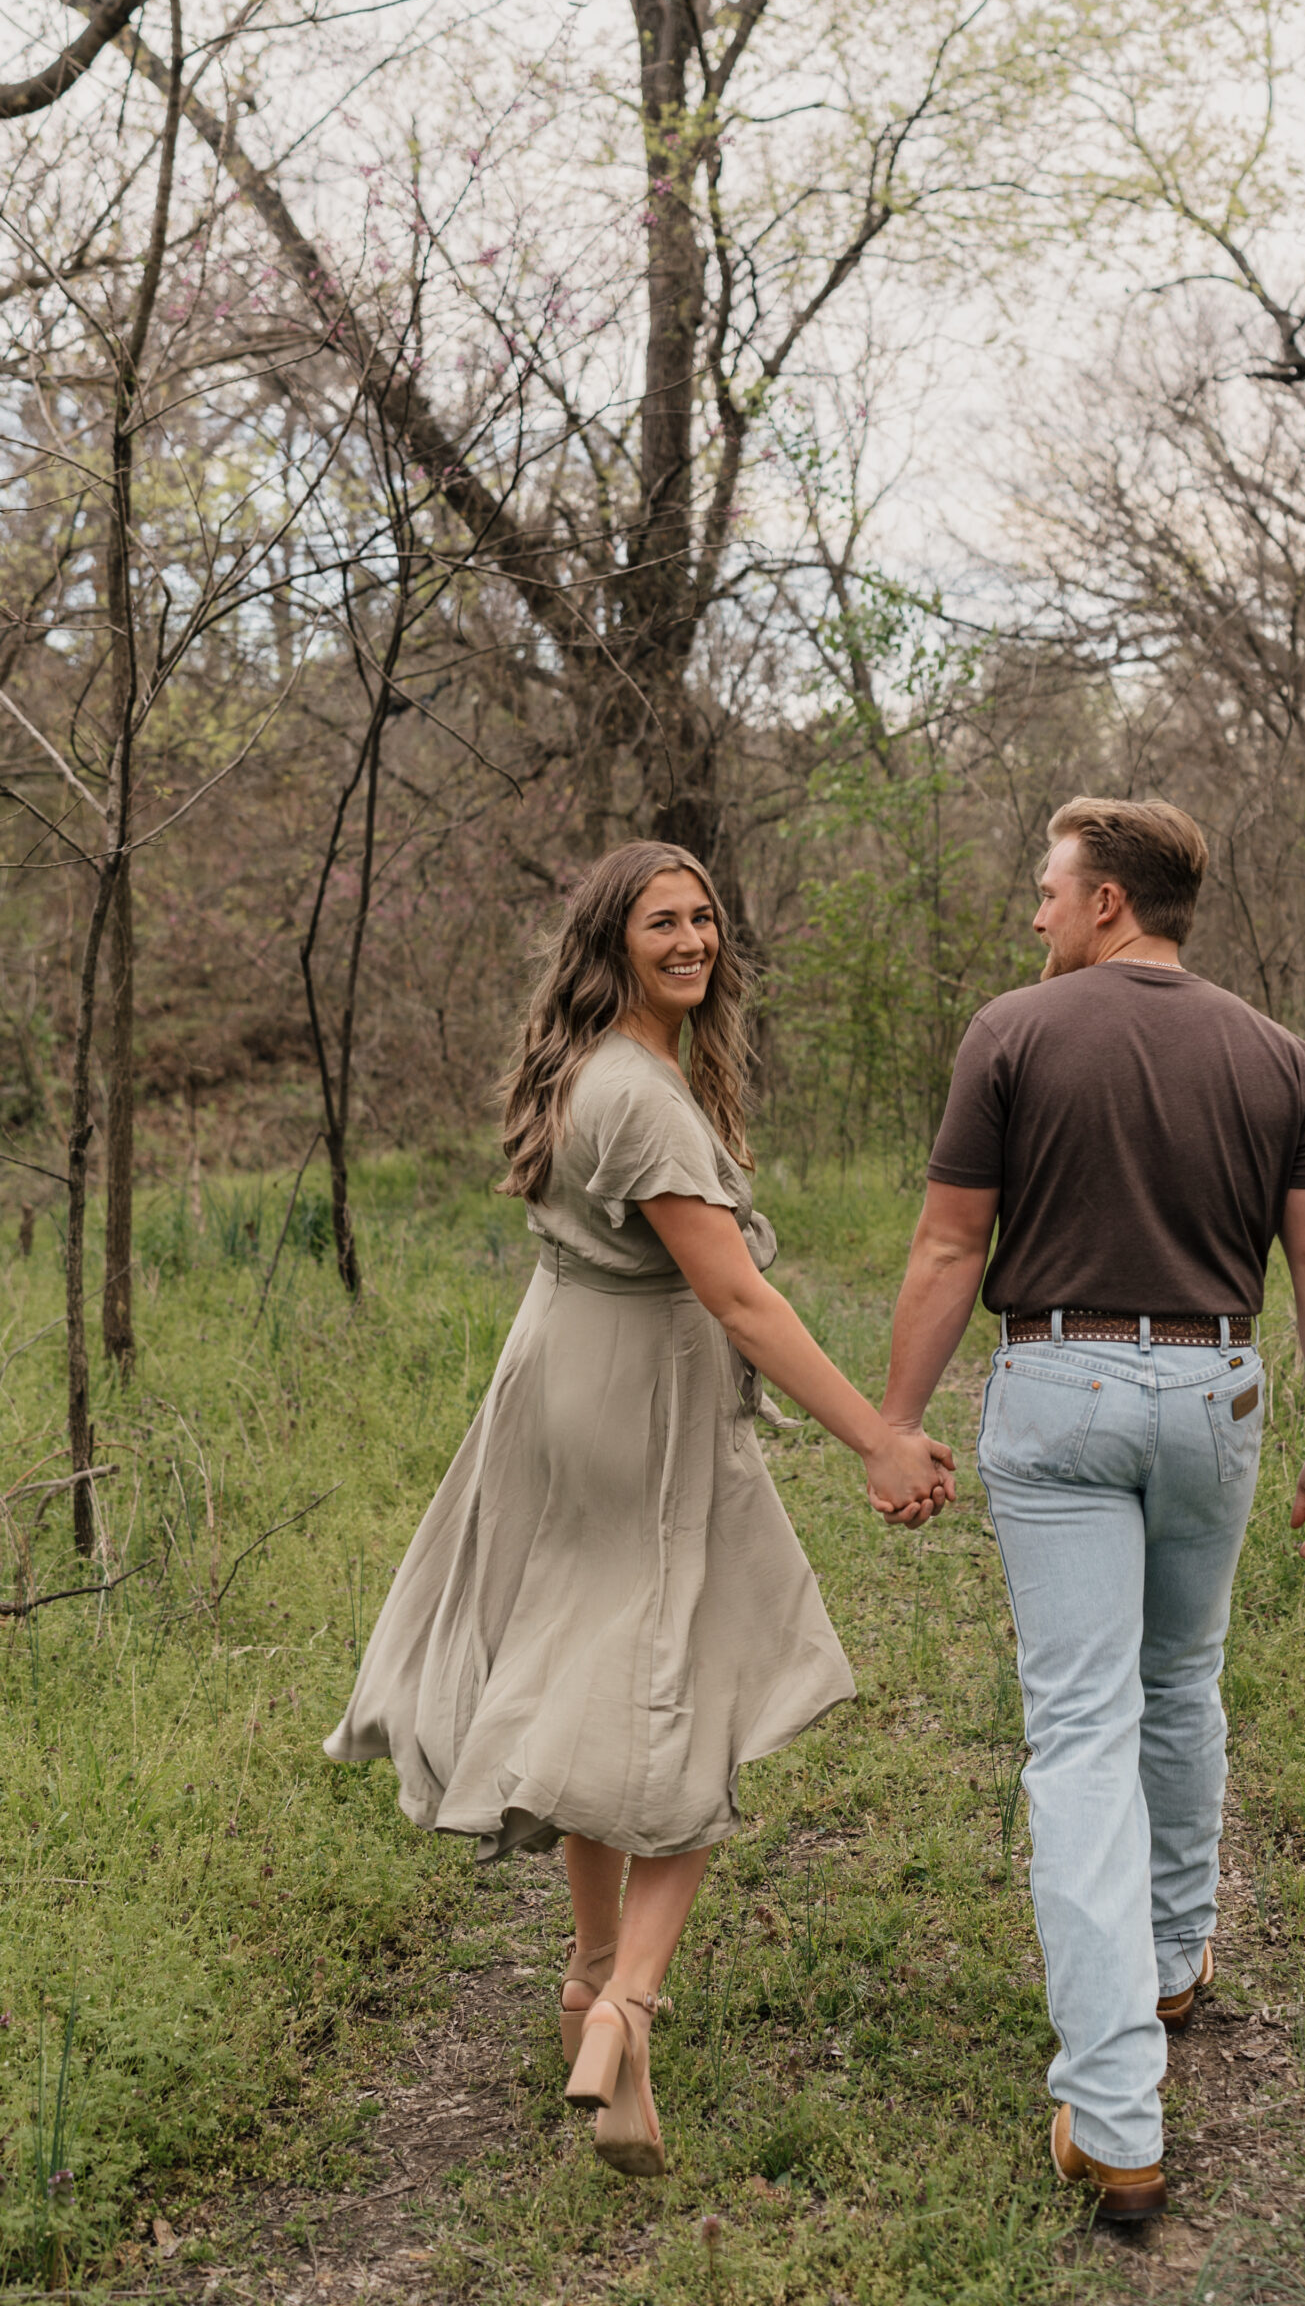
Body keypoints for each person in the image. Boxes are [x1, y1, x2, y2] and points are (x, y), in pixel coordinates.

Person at [325, 841, 953, 2180]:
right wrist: (877, 1439)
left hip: (564, 1375)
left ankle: (588, 1982)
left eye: (705, 916)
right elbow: (736, 1298)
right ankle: (628, 2008)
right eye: (662, 921)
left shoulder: (585, 1070)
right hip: (641, 1404)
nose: (693, 938)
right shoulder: (646, 1098)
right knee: (700, 1684)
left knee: (617, 1672)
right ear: (610, 943)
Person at [879, 796, 1305, 2225]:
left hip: (1059, 1382)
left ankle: (1115, 2115)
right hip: (1215, 1389)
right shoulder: (1279, 1054)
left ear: (1106, 903)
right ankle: (1171, 1960)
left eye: (1047, 891)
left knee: (1081, 1729)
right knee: (1182, 1682)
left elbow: (950, 1242)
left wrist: (898, 1420)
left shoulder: (1012, 1036)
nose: (1033, 914)